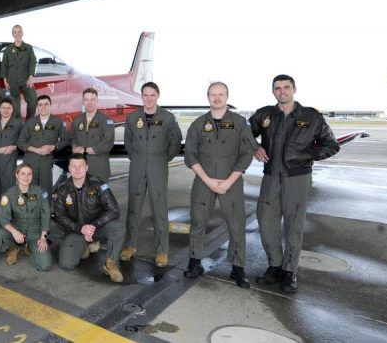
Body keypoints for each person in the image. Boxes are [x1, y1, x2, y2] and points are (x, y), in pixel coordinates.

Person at [249, 74, 339, 293]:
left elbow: (331, 145)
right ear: (273, 92)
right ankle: (275, 265)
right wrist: (254, 147)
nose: (282, 91)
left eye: (286, 87)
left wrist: (305, 155)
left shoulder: (311, 116)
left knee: (293, 225)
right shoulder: (264, 114)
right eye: (277, 88)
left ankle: (290, 271)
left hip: (297, 177)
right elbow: (245, 134)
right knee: (266, 221)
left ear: (294, 89)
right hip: (271, 176)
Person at [183, 82, 256, 288]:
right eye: (213, 94)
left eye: (220, 94)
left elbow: (246, 153)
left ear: (227, 96)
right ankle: (194, 262)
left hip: (230, 181)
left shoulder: (240, 123)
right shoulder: (198, 124)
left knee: (236, 224)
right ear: (208, 97)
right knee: (198, 222)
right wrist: (207, 180)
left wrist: (229, 181)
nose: (217, 98)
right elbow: (190, 154)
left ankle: (238, 268)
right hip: (203, 180)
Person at [120, 82, 182, 268]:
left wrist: (163, 159)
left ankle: (162, 251)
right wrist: (138, 157)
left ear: (158, 96)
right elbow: (128, 143)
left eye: (152, 95)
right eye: (145, 95)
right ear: (141, 97)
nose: (148, 99)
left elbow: (175, 141)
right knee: (133, 208)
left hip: (158, 165)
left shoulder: (168, 118)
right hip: (138, 164)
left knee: (159, 209)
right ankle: (130, 246)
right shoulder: (133, 118)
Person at [54, 154, 125, 282]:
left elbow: (114, 210)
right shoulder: (62, 189)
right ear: (69, 168)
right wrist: (80, 228)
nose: (77, 169)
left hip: (97, 228)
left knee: (118, 228)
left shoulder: (98, 184)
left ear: (87, 167)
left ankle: (110, 263)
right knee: (66, 264)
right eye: (73, 166)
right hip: (76, 230)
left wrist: (93, 225)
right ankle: (84, 245)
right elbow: (59, 216)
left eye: (80, 165)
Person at [0, 164, 52, 271]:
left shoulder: (40, 192)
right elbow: (3, 218)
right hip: (17, 228)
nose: (26, 177)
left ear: (32, 176)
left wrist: (44, 237)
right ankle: (13, 247)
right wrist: (14, 231)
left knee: (45, 265)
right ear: (17, 175)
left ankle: (29, 247)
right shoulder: (9, 194)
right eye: (23, 173)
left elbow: (46, 214)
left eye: (29, 174)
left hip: (35, 232)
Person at [17, 95, 70, 193]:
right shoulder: (30, 122)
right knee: (30, 190)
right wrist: (35, 149)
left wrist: (53, 146)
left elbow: (66, 140)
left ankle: (46, 208)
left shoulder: (57, 122)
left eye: (46, 104)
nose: (43, 107)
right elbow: (20, 142)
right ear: (37, 107)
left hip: (47, 162)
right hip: (30, 161)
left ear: (50, 105)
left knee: (46, 191)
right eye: (40, 105)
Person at [71, 88, 115, 182]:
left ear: (97, 101)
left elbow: (108, 143)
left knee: (101, 195)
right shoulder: (77, 121)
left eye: (92, 99)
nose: (89, 103)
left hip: (99, 168)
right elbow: (73, 138)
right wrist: (74, 147)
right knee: (81, 195)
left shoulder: (106, 121)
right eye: (86, 100)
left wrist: (89, 150)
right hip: (80, 168)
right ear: (83, 101)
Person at [0, 24, 37, 119]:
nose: (17, 34)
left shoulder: (28, 48)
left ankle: (29, 121)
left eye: (19, 31)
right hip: (12, 79)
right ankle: (19, 125)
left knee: (33, 100)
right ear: (12, 34)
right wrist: (5, 80)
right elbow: (4, 64)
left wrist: (31, 76)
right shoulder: (8, 49)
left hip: (25, 79)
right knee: (15, 106)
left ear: (22, 33)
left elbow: (32, 62)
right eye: (15, 32)